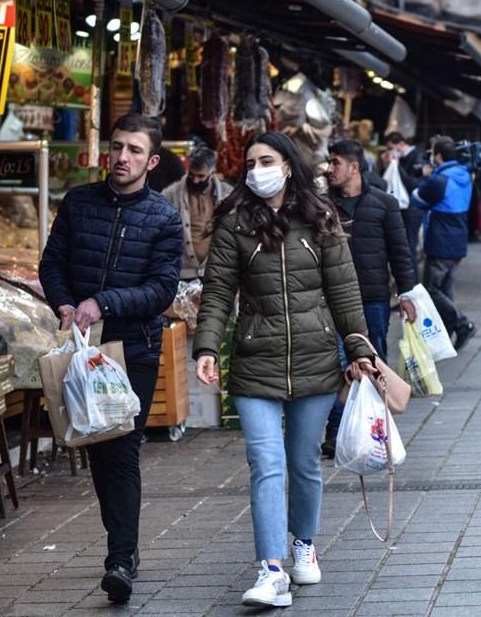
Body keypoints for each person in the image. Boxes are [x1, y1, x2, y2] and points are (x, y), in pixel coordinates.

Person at [193, 131, 375, 609]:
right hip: (255, 363)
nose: (257, 169)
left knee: (304, 462)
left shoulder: (320, 218)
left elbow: (344, 289)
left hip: (315, 360)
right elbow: (215, 292)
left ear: (288, 166)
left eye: (266, 160)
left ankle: (303, 543)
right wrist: (206, 346)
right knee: (266, 464)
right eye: (250, 163)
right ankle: (271, 571)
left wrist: (357, 345)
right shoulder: (235, 222)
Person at [38, 113, 182, 603]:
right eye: (117, 147)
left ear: (152, 161)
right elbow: (52, 262)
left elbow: (163, 288)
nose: (122, 157)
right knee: (97, 446)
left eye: (134, 150)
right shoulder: (79, 203)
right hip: (82, 349)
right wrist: (62, 302)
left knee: (121, 446)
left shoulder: (163, 217)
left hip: (132, 349)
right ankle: (123, 545)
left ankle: (120, 557)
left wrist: (105, 301)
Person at [321, 139, 418, 458]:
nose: (329, 168)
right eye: (328, 162)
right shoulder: (321, 206)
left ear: (354, 167)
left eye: (335, 162)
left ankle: (377, 428)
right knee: (337, 367)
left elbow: (401, 252)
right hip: (330, 300)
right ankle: (337, 432)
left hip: (372, 298)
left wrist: (407, 293)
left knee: (373, 363)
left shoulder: (384, 204)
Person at [413, 136, 476, 350]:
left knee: (431, 289)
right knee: (446, 289)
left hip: (441, 240)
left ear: (438, 156)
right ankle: (448, 333)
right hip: (458, 238)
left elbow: (417, 199)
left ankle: (462, 323)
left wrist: (425, 177)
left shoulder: (439, 180)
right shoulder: (464, 174)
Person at [162, 145, 233, 281]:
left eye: (201, 176)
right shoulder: (171, 194)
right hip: (181, 273)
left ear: (212, 174)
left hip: (216, 272)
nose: (195, 180)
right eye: (192, 175)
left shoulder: (227, 194)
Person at [384, 132, 424, 268]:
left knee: (409, 247)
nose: (390, 152)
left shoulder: (416, 158)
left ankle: (413, 284)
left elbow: (413, 185)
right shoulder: (402, 159)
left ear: (401, 144)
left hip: (412, 209)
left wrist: (396, 165)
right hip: (403, 208)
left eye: (391, 148)